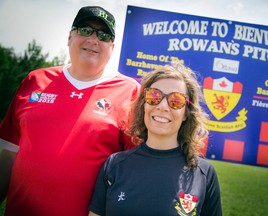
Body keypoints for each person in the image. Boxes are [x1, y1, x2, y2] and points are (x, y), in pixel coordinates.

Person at [0, 6, 140, 216]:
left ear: (112, 46)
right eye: (85, 30)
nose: (93, 39)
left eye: (103, 35)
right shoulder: (34, 80)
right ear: (70, 36)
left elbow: (132, 173)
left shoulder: (130, 92)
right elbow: (8, 154)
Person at [88, 62, 222, 216]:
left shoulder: (204, 173)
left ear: (186, 113)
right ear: (144, 104)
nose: (163, 106)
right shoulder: (114, 165)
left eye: (176, 100)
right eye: (154, 96)